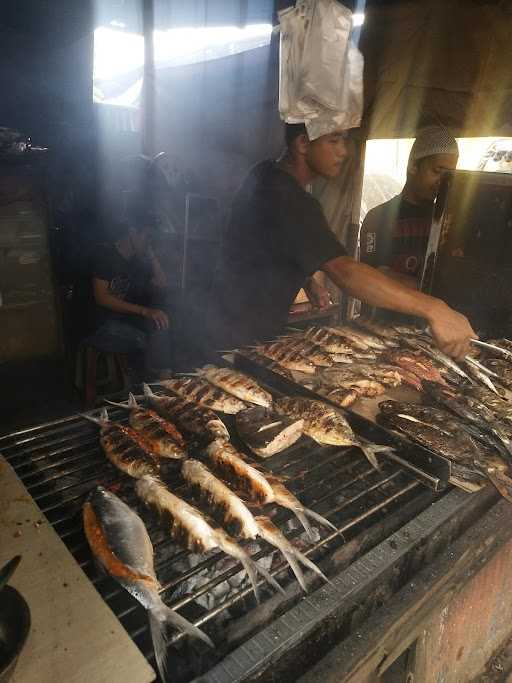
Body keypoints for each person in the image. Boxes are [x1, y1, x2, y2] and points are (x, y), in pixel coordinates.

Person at [207, 123, 475, 359]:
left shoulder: (264, 174)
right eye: (333, 140)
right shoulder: (288, 197)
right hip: (232, 339)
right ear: (303, 143)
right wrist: (434, 308)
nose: (344, 151)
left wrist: (307, 279)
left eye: (344, 140)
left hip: (228, 323)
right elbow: (345, 271)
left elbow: (267, 246)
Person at [359, 126, 459, 289]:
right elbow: (372, 277)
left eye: (449, 175)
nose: (442, 181)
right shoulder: (378, 218)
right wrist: (427, 290)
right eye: (436, 171)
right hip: (385, 314)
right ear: (413, 166)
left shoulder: (445, 221)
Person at [87, 209, 172, 376]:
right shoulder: (105, 254)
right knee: (144, 340)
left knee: (161, 327)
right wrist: (145, 311)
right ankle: (148, 384)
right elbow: (102, 298)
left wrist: (151, 253)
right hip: (98, 325)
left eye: (152, 239)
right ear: (133, 233)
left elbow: (162, 283)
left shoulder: (137, 261)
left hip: (119, 320)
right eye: (147, 237)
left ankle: (160, 379)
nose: (150, 242)